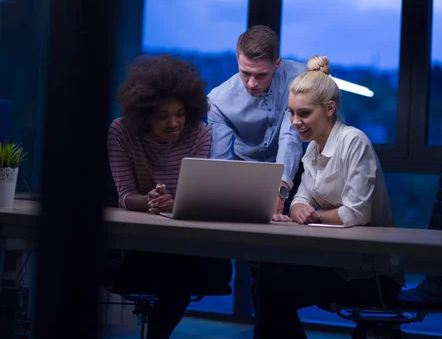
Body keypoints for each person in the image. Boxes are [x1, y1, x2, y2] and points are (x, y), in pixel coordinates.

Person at [253, 56, 404, 339]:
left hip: (372, 274)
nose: (296, 122)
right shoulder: (313, 149)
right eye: (292, 113)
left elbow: (356, 214)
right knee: (268, 277)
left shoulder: (354, 141)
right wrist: (298, 209)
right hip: (339, 263)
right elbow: (301, 198)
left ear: (330, 109)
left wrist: (314, 216)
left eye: (304, 114)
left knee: (271, 284)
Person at [106, 54, 233, 339]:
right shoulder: (121, 132)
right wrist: (150, 202)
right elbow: (125, 194)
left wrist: (176, 203)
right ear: (143, 114)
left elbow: (196, 194)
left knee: (182, 273)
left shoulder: (200, 133)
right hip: (141, 245)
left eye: (180, 113)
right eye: (162, 116)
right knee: (176, 278)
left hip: (187, 245)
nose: (174, 123)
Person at [207, 25, 305, 215]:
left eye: (261, 75)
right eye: (245, 73)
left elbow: (290, 137)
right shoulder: (218, 101)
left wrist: (281, 190)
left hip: (297, 175)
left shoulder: (300, 80)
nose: (252, 83)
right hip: (244, 173)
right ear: (237, 60)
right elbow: (220, 162)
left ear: (277, 64)